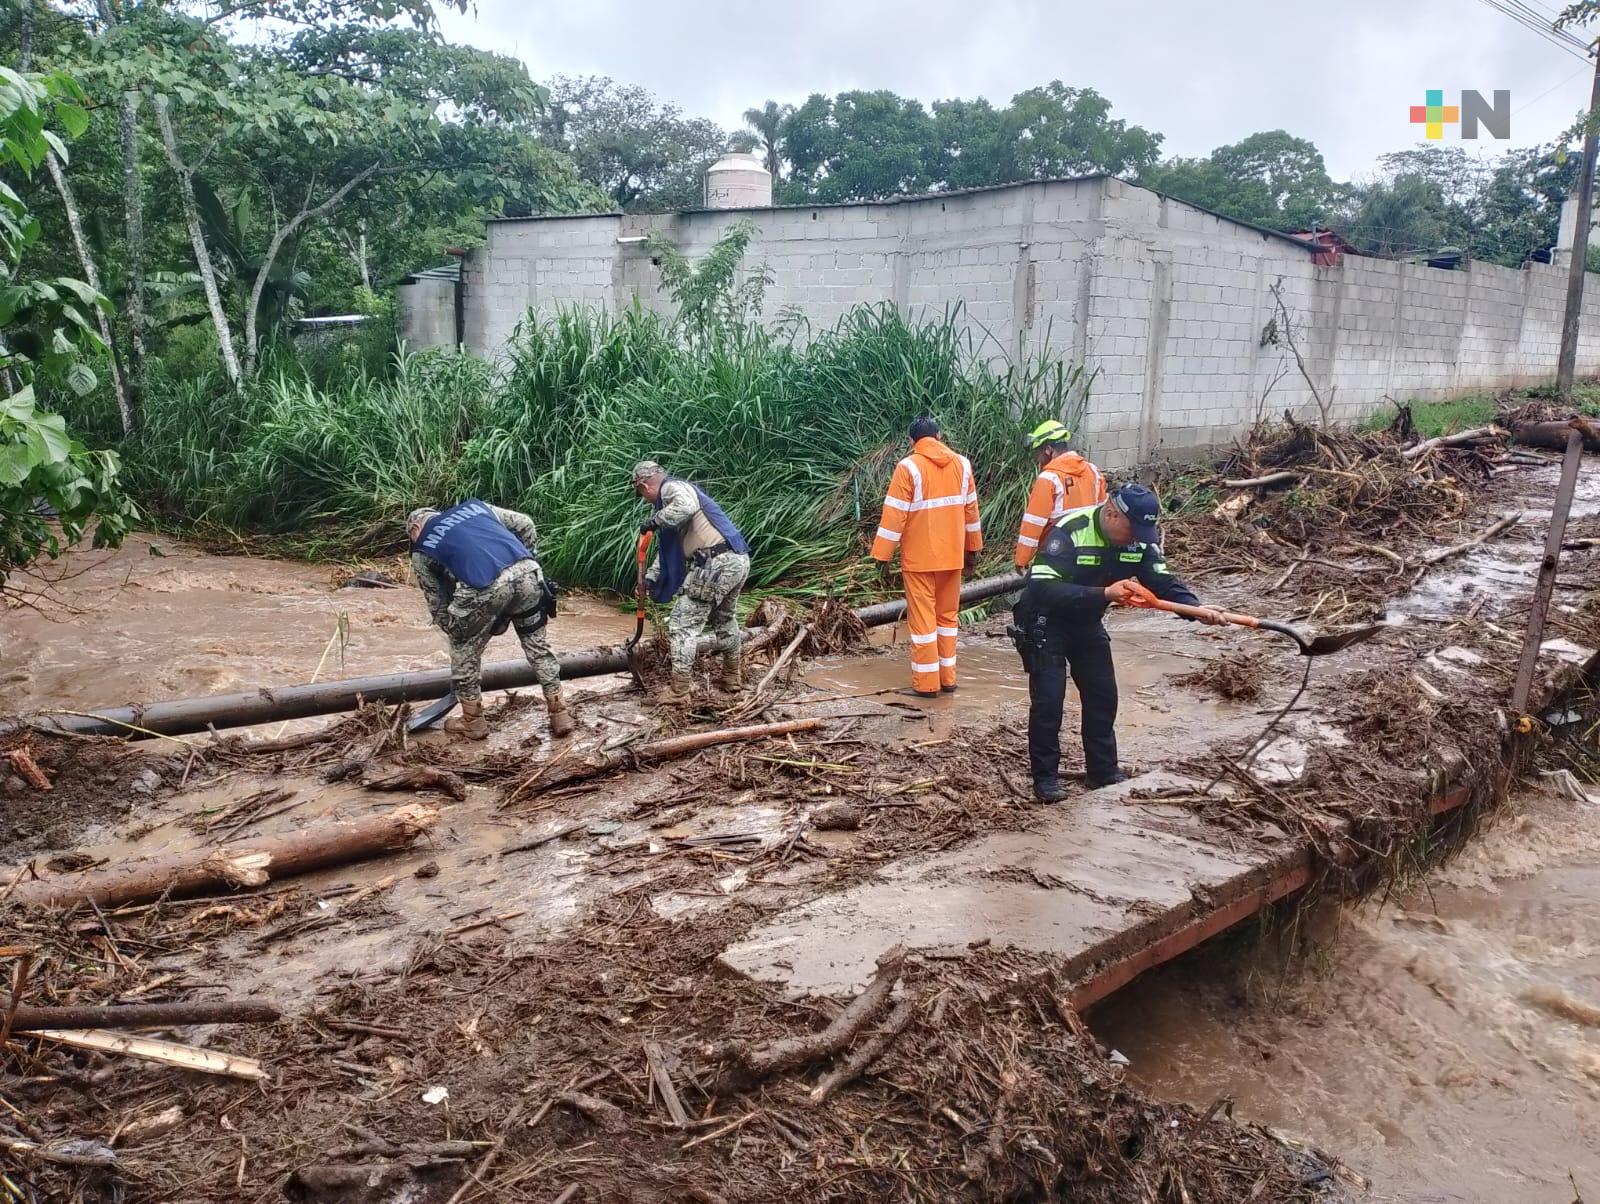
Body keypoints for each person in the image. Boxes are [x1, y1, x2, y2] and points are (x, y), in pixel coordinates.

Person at [1011, 483, 1225, 801]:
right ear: (1112, 513)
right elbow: (1041, 589)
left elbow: (1164, 582)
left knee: (1103, 695)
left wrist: (1196, 608)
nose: (1137, 537)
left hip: (1087, 622)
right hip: (1045, 620)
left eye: (1143, 531)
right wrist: (1104, 594)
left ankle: (1103, 772)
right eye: (1133, 529)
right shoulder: (1072, 530)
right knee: (1049, 702)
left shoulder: (1138, 543)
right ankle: (1045, 780)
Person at [408, 500, 573, 741]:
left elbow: (437, 603)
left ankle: (473, 721)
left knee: (463, 649)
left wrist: (459, 630)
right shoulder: (475, 507)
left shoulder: (421, 548)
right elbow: (526, 524)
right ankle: (560, 713)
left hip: (484, 586)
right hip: (527, 572)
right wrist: (529, 558)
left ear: (414, 529)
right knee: (538, 647)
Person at [869, 416, 983, 697]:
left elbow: (894, 515)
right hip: (953, 556)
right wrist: (973, 550)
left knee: (923, 624)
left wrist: (881, 557)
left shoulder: (908, 467)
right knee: (947, 619)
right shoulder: (963, 465)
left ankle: (926, 685)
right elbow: (971, 513)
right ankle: (948, 680)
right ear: (940, 436)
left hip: (920, 560)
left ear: (912, 442)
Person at [632, 461, 751, 702]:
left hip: (714, 564)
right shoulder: (672, 511)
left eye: (641, 494)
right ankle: (731, 677)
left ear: (644, 485)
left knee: (681, 625)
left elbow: (687, 505)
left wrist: (654, 521)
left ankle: (679, 691)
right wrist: (650, 579)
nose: (644, 500)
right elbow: (666, 555)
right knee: (724, 619)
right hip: (737, 560)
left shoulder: (671, 489)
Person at [1014, 419, 1107, 570]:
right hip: (1091, 554)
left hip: (1057, 554)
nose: (1038, 459)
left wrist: (1022, 560)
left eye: (1038, 453)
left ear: (1049, 450)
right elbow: (1104, 516)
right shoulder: (1093, 472)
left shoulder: (1049, 478)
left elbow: (1033, 524)